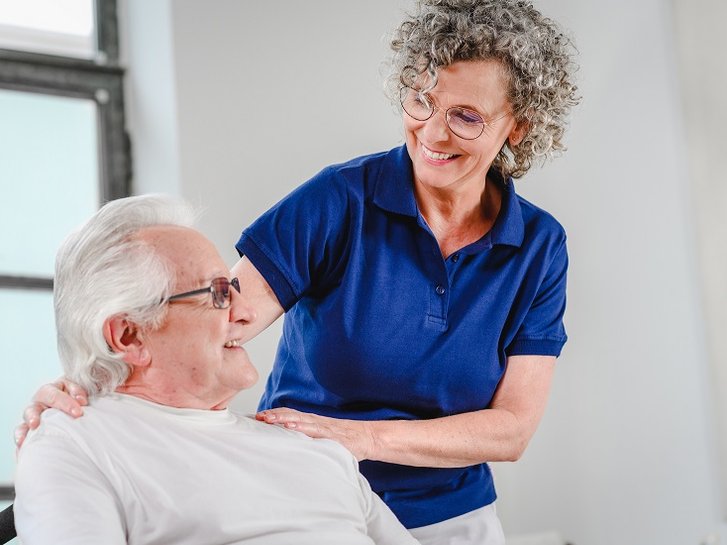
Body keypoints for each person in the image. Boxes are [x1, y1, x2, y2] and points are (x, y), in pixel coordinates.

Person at [16, 1, 580, 543]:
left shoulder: (539, 245)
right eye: (421, 101)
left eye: (465, 116)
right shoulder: (340, 201)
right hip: (296, 486)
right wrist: (87, 387)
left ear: (518, 126)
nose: (432, 133)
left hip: (446, 512)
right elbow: (207, 319)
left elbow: (512, 428)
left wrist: (353, 441)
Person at [13, 195, 419, 545]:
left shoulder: (313, 446)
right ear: (129, 336)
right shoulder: (76, 443)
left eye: (234, 288)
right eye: (219, 293)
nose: (246, 313)